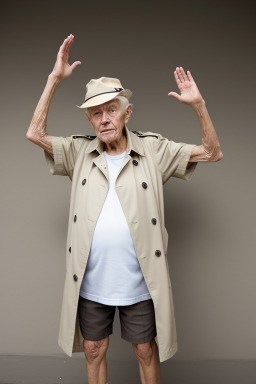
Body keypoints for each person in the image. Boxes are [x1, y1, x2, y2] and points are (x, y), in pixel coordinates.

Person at [26, 34, 223, 384]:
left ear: (127, 112)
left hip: (140, 281)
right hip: (91, 280)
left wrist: (199, 105)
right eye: (96, 113)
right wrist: (53, 79)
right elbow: (35, 133)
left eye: (111, 109)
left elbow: (211, 152)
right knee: (92, 350)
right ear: (89, 120)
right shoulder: (78, 151)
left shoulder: (153, 150)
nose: (104, 119)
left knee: (146, 350)